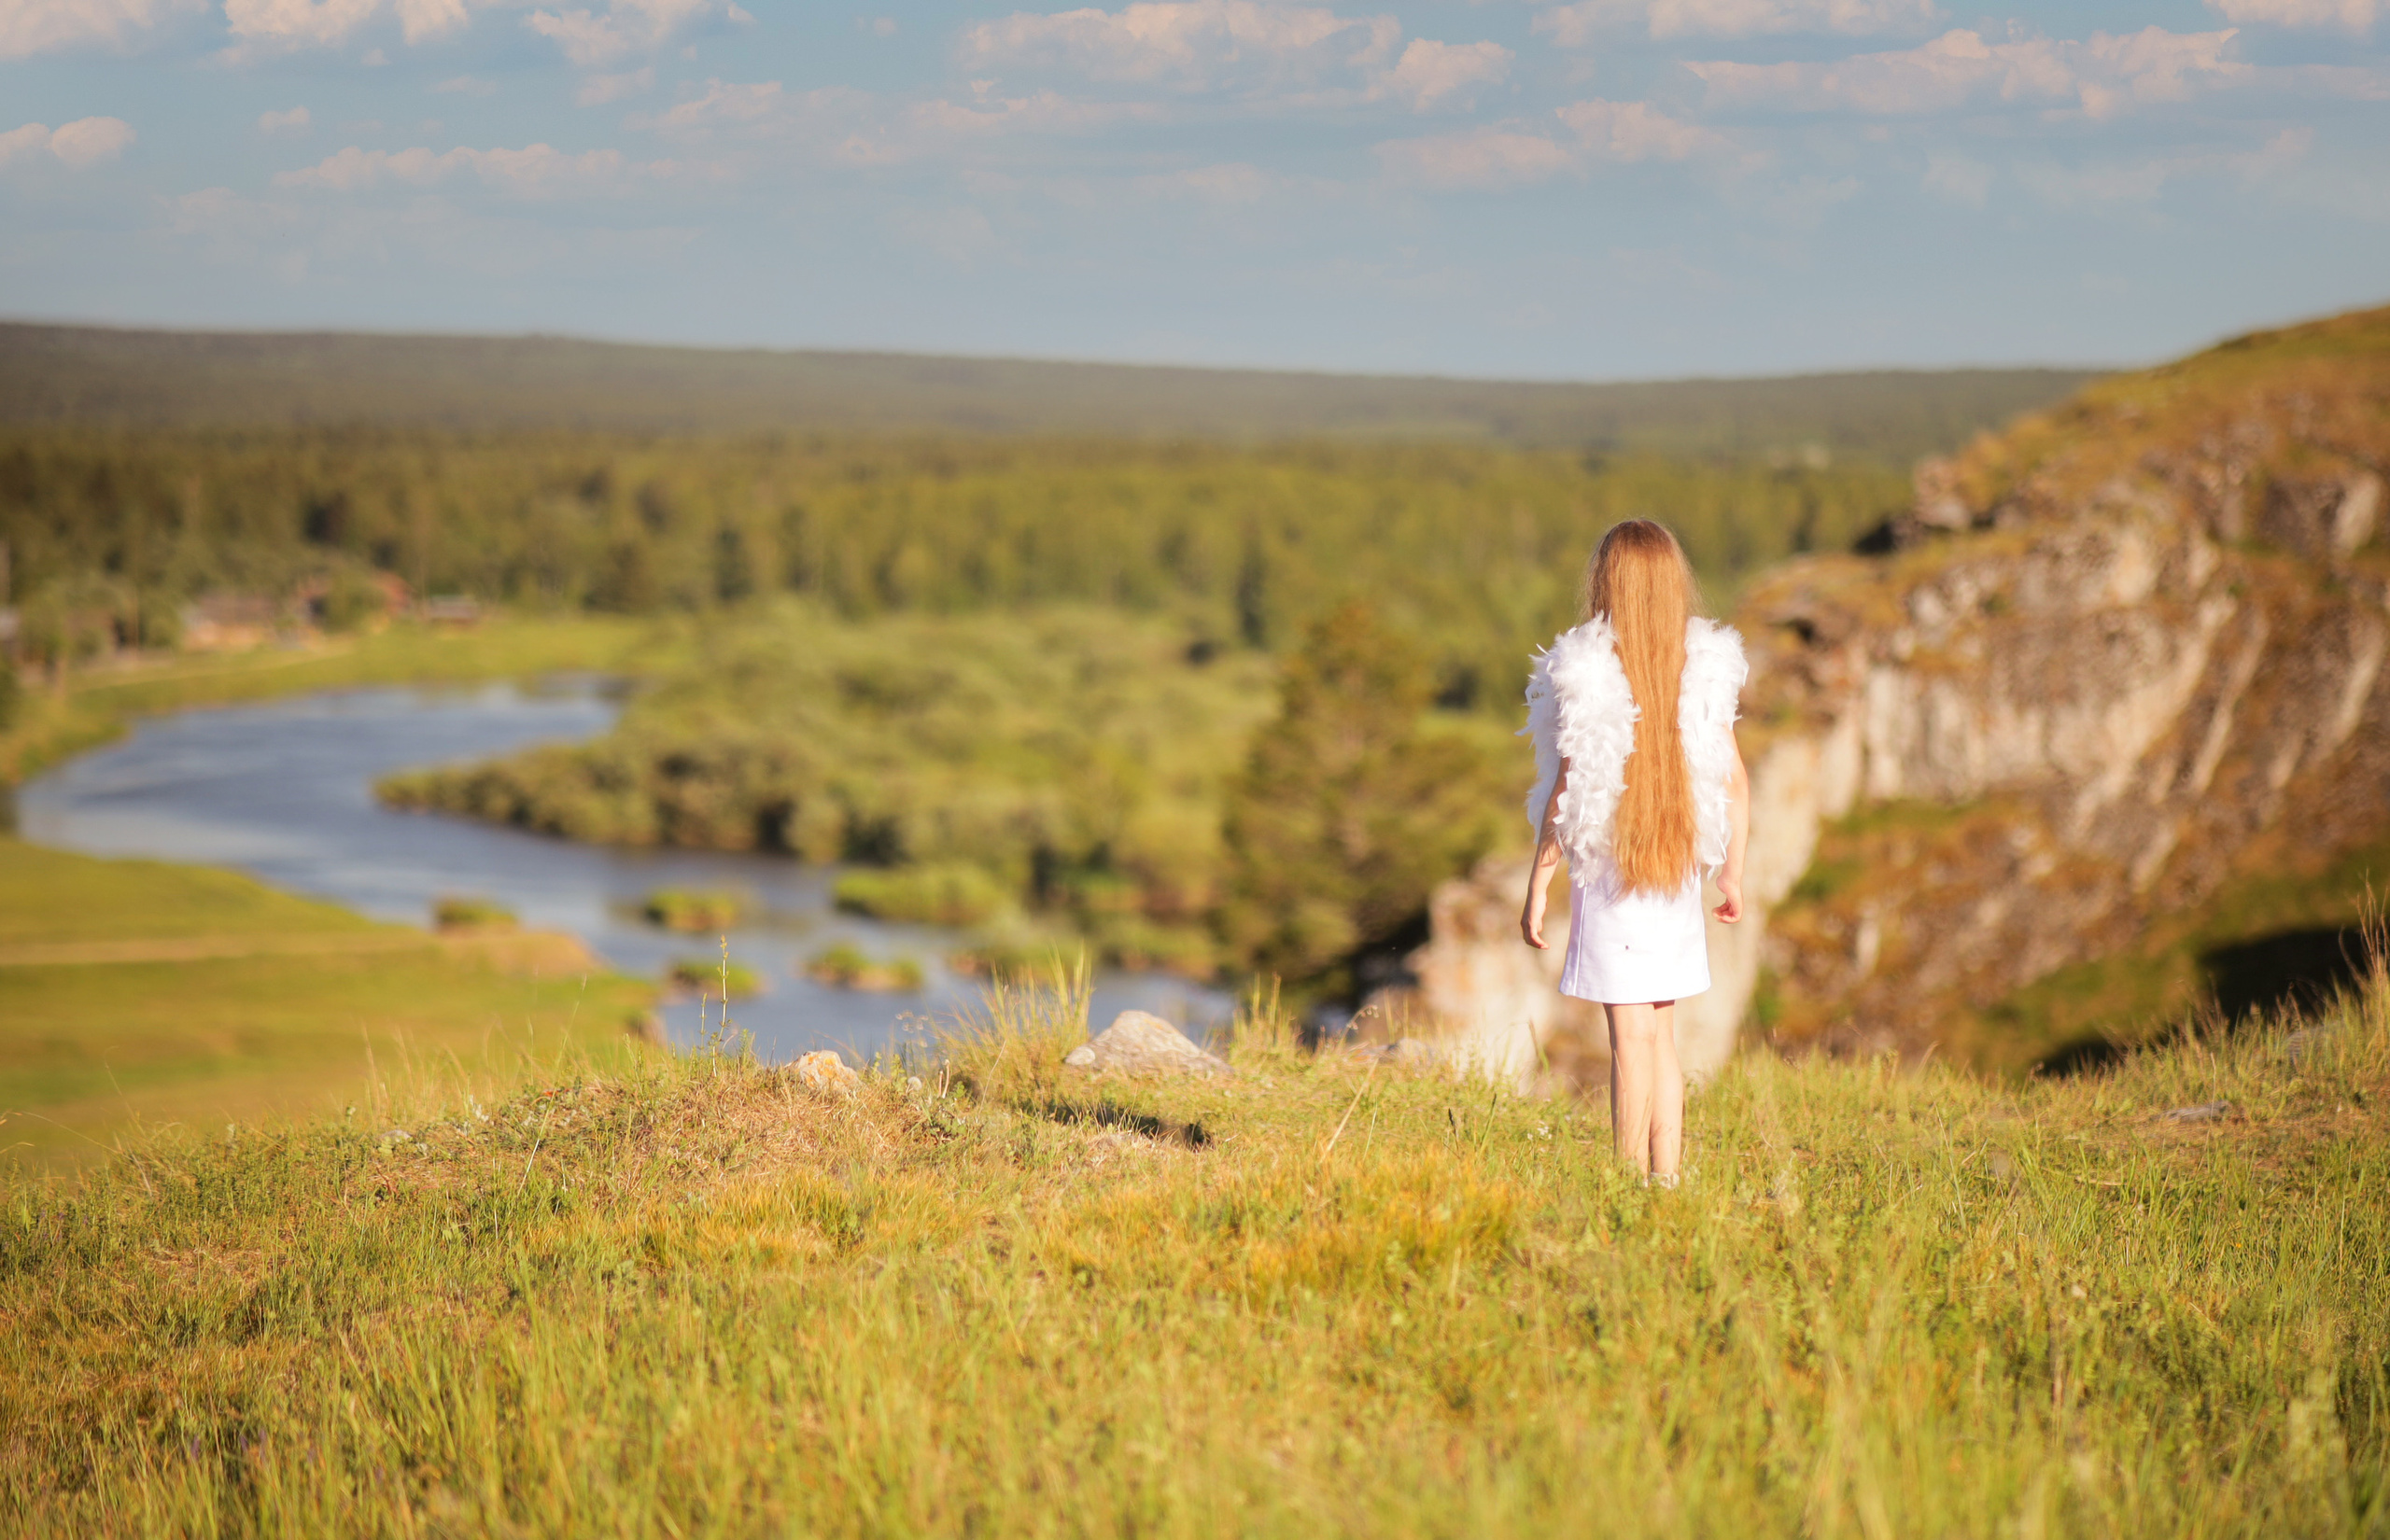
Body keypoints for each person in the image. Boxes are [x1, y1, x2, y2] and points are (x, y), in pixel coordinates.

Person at [1518, 520, 1750, 1187]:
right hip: (1677, 870)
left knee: (1629, 1045)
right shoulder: (1699, 667)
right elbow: (1734, 777)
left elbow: (1568, 789)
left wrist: (1537, 886)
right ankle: (1666, 1181)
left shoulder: (1587, 669)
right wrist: (1731, 869)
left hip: (1616, 876)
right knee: (1661, 1038)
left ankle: (1624, 1184)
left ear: (1606, 581)